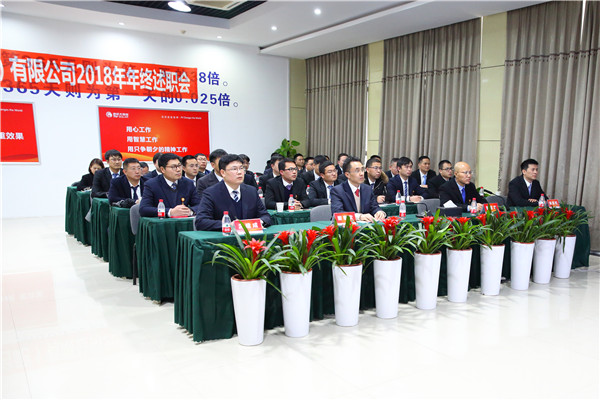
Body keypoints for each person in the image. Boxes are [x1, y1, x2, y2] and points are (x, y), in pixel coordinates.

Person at [195, 154, 271, 231]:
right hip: (225, 237)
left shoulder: (251, 191)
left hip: (251, 236)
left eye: (241, 168)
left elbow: (265, 216)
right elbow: (201, 221)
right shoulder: (211, 193)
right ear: (223, 173)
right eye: (234, 169)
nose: (239, 172)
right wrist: (228, 225)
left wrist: (258, 222)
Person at [139, 153, 201, 217]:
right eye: (173, 167)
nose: (178, 170)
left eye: (179, 166)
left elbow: (199, 204)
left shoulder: (188, 183)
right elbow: (144, 209)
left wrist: (190, 211)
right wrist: (170, 212)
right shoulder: (151, 184)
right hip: (162, 222)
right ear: (162, 169)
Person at [331, 157, 386, 222]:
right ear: (347, 175)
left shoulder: (367, 189)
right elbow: (338, 213)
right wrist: (359, 217)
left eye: (362, 170)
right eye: (357, 171)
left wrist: (379, 212)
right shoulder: (338, 191)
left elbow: (374, 207)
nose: (361, 174)